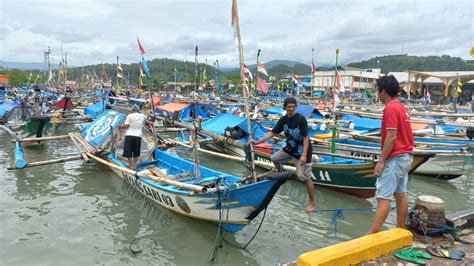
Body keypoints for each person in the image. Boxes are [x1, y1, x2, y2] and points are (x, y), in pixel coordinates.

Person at [367, 75, 414, 234]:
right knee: (400, 194)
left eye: (378, 91)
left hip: (395, 158)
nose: (377, 95)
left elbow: (391, 136)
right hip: (406, 156)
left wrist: (381, 161)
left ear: (384, 91)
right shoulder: (402, 107)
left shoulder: (390, 108)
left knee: (383, 198)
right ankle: (400, 230)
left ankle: (371, 235)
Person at [252, 97, 316, 213]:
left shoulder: (301, 120)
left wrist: (304, 155)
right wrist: (257, 142)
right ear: (285, 107)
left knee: (306, 178)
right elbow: (271, 133)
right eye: (289, 106)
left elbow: (306, 138)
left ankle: (312, 203)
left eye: (293, 106)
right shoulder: (283, 120)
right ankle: (282, 175)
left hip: (302, 152)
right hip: (290, 148)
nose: (291, 108)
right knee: (274, 158)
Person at [118, 105, 153, 169]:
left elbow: (127, 126)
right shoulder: (142, 116)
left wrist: (120, 126)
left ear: (132, 110)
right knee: (136, 152)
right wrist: (151, 123)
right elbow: (147, 121)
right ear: (138, 110)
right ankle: (135, 165)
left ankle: (131, 165)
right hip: (138, 136)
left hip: (129, 136)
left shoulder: (129, 116)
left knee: (128, 152)